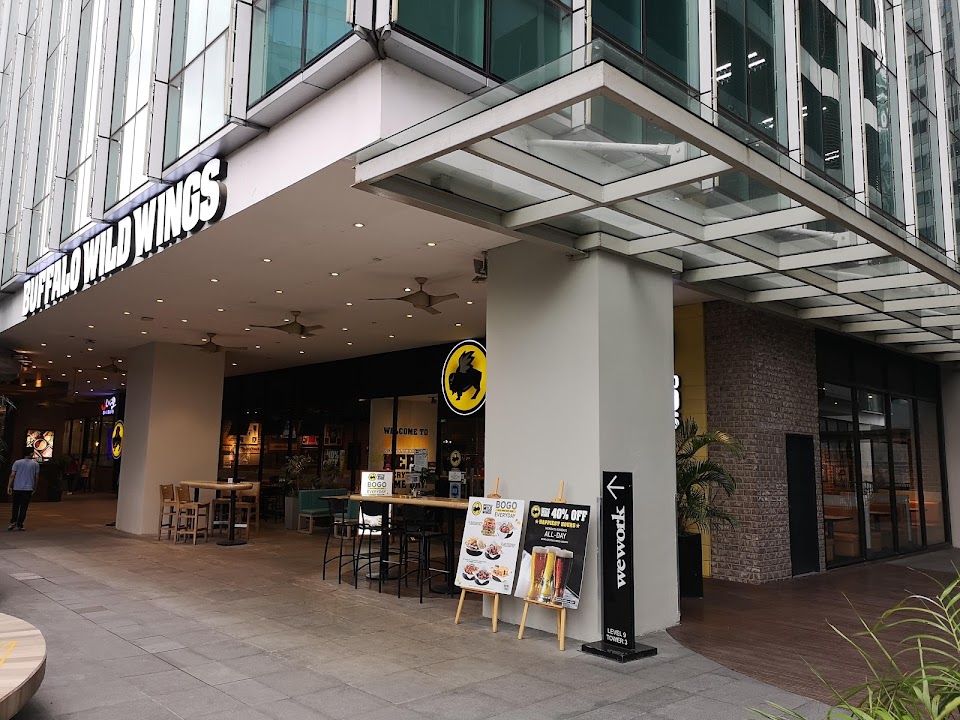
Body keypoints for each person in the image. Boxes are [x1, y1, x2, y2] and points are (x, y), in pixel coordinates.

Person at [8, 449, 39, 531]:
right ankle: (20, 524)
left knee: (15, 506)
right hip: (28, 489)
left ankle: (13, 521)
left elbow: (12, 475)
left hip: (17, 488)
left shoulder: (17, 462)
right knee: (24, 507)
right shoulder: (35, 464)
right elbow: (36, 477)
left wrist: (9, 486)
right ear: (31, 453)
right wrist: (35, 487)